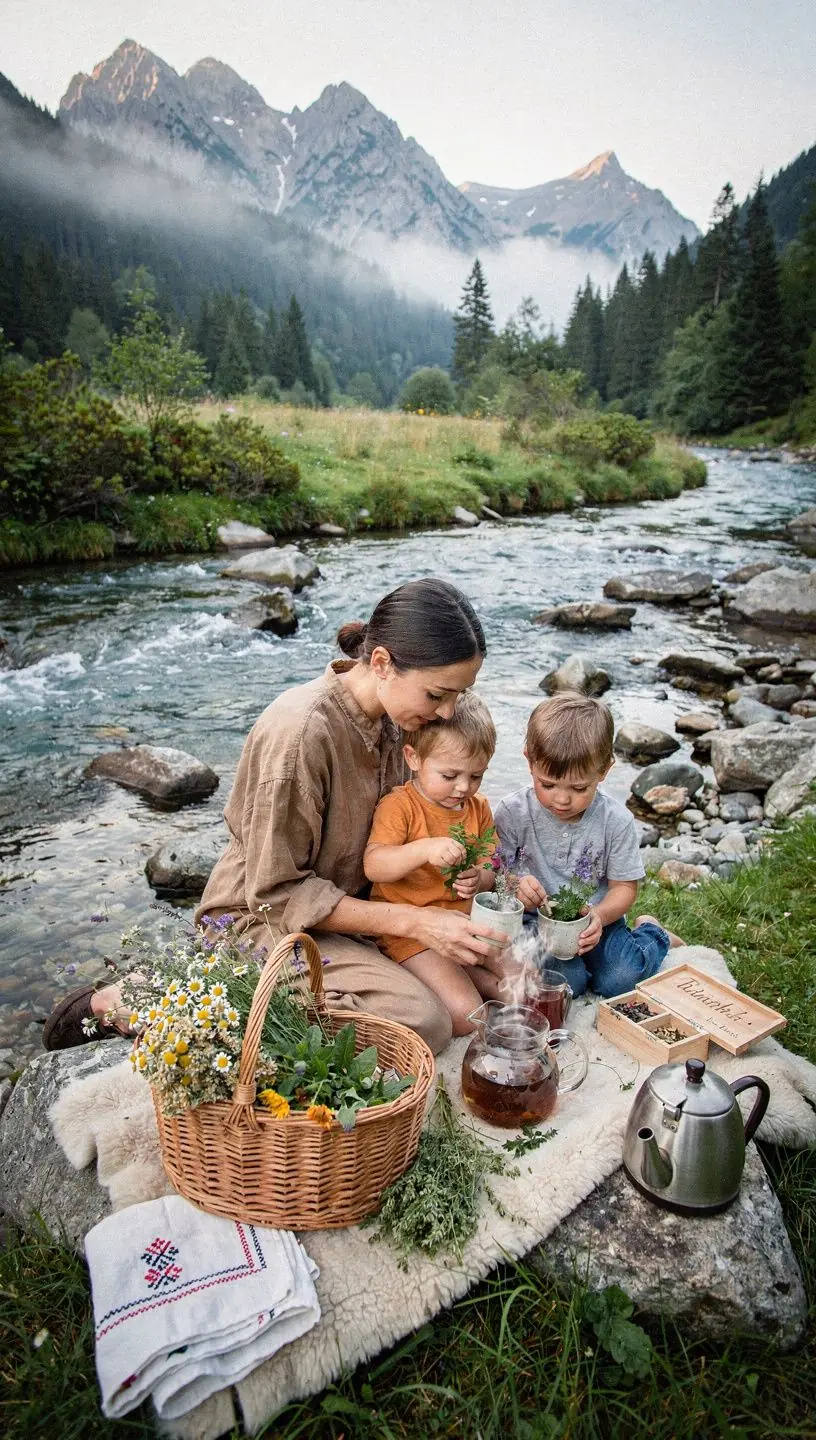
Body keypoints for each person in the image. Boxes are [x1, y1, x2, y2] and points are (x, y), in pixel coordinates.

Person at [43, 578, 504, 1055]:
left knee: (455, 996)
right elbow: (277, 894)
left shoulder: (401, 718)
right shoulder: (300, 733)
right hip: (263, 919)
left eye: (457, 695)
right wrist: (415, 923)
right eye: (437, 695)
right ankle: (140, 997)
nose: (448, 712)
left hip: (347, 916)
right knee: (423, 1022)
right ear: (383, 663)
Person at [494, 692, 681, 999]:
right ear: (529, 760)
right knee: (566, 984)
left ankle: (652, 933)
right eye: (548, 784)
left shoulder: (615, 820)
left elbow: (624, 888)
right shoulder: (512, 813)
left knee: (620, 979)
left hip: (596, 923)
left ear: (605, 770)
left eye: (579, 787)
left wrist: (599, 915)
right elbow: (497, 877)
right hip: (536, 923)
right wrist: (515, 887)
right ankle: (579, 972)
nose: (562, 799)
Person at [363, 691, 510, 1035]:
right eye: (450, 775)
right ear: (413, 758)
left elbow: (493, 864)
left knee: (524, 980)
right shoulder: (400, 806)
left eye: (476, 776)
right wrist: (423, 849)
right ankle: (472, 984)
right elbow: (374, 865)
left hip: (463, 925)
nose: (463, 787)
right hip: (412, 935)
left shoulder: (479, 808)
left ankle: (478, 980)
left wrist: (480, 878)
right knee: (468, 1016)